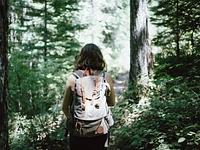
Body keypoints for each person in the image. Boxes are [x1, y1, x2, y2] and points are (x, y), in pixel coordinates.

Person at [62, 43, 115, 150]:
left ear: (81, 57)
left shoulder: (73, 78)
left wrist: (73, 120)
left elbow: (64, 107)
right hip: (100, 129)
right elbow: (111, 103)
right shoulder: (106, 77)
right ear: (99, 57)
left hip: (78, 131)